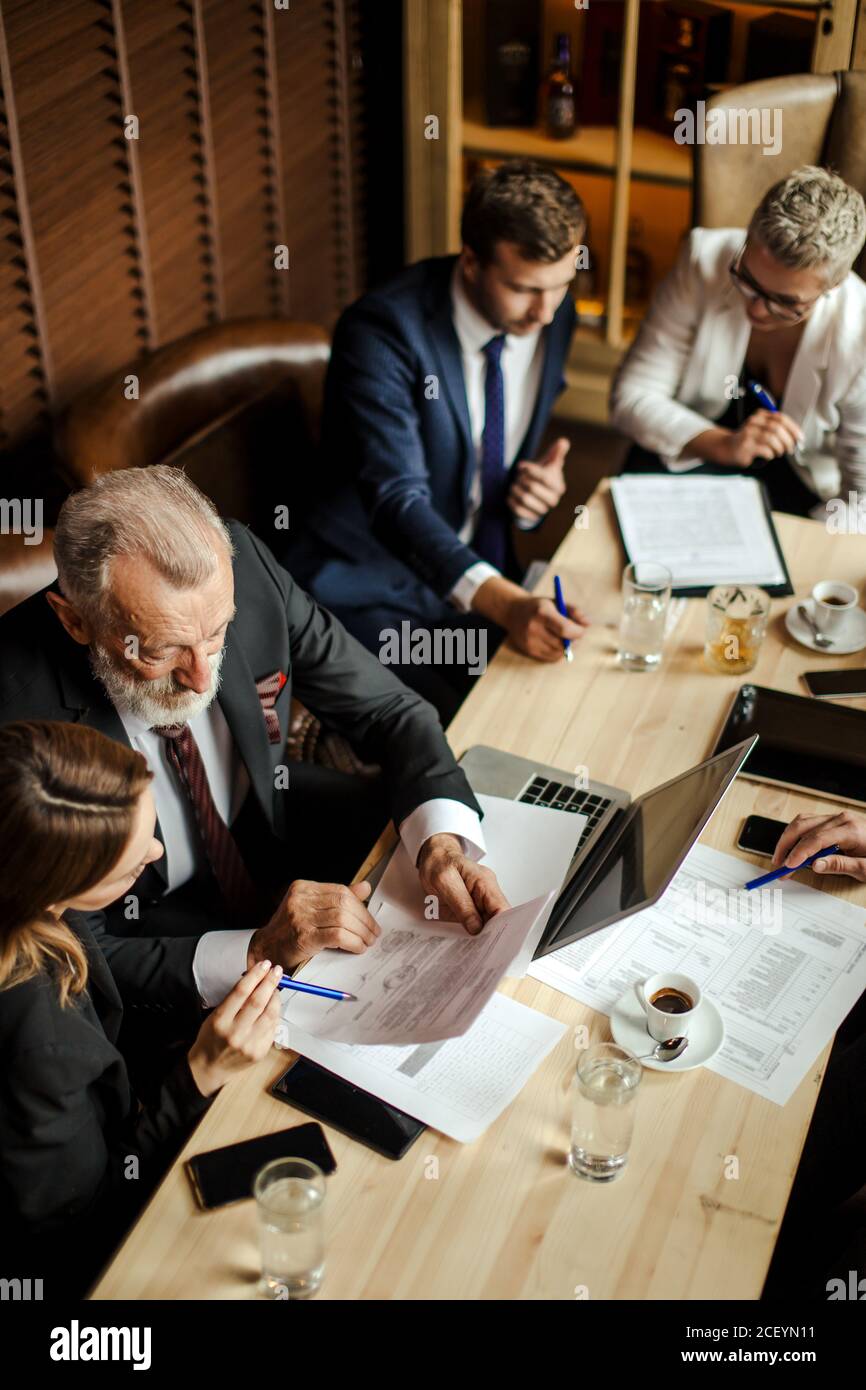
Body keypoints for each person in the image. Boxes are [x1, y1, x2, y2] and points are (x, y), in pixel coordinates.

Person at [0, 465, 510, 1021]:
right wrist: (258, 952)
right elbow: (62, 948)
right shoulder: (15, 711)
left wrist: (440, 844)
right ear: (75, 621)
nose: (201, 679)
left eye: (217, 634)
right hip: (144, 930)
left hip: (271, 826)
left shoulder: (244, 561)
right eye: (161, 651)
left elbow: (389, 710)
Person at [283, 158, 591, 722]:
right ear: (471, 261)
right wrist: (508, 603)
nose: (546, 313)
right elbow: (398, 501)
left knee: (577, 687)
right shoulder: (381, 334)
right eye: (525, 289)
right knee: (470, 726)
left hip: (478, 569)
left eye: (562, 286)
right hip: (369, 589)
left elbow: (492, 452)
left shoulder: (550, 310)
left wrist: (530, 497)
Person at [0, 720, 285, 1298]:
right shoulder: (39, 1041)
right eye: (134, 868)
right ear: (57, 890)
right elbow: (82, 1227)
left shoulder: (29, 881)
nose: (157, 852)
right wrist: (202, 1070)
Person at [610, 166, 866, 518]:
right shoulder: (703, 258)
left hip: (799, 490)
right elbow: (631, 397)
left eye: (786, 303)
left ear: (833, 286)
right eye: (746, 279)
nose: (757, 309)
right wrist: (725, 445)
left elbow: (861, 497)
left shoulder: (859, 334)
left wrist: (805, 545)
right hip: (690, 451)